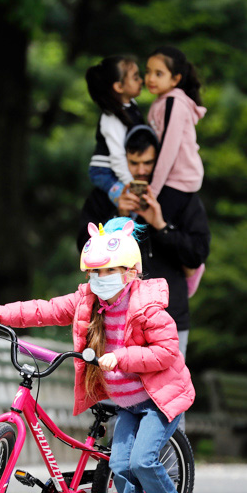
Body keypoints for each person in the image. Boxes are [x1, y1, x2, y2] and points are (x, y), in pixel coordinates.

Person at [0, 217, 200, 493]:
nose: (100, 280)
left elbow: (166, 352)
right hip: (127, 405)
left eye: (109, 272)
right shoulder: (87, 301)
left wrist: (121, 357)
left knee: (143, 461)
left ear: (131, 270)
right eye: (94, 273)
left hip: (158, 400)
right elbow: (44, 310)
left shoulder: (149, 307)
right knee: (120, 466)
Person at [77, 126, 211, 357]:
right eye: (134, 163)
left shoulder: (179, 195)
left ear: (159, 160)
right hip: (115, 317)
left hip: (169, 316)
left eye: (148, 163)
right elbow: (84, 248)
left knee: (166, 391)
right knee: (119, 390)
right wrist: (117, 216)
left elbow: (198, 253)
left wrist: (161, 225)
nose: (141, 171)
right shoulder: (103, 197)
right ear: (121, 160)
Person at [145, 46, 208, 289]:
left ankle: (191, 270)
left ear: (176, 78)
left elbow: (168, 151)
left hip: (177, 180)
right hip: (172, 179)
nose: (150, 78)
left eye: (159, 73)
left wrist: (154, 190)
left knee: (156, 234)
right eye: (148, 71)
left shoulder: (174, 103)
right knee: (155, 234)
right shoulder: (162, 102)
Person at [86, 55, 145, 205]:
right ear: (119, 87)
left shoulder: (131, 105)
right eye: (135, 77)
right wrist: (131, 184)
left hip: (118, 168)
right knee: (130, 201)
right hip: (104, 172)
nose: (141, 80)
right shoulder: (112, 118)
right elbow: (117, 156)